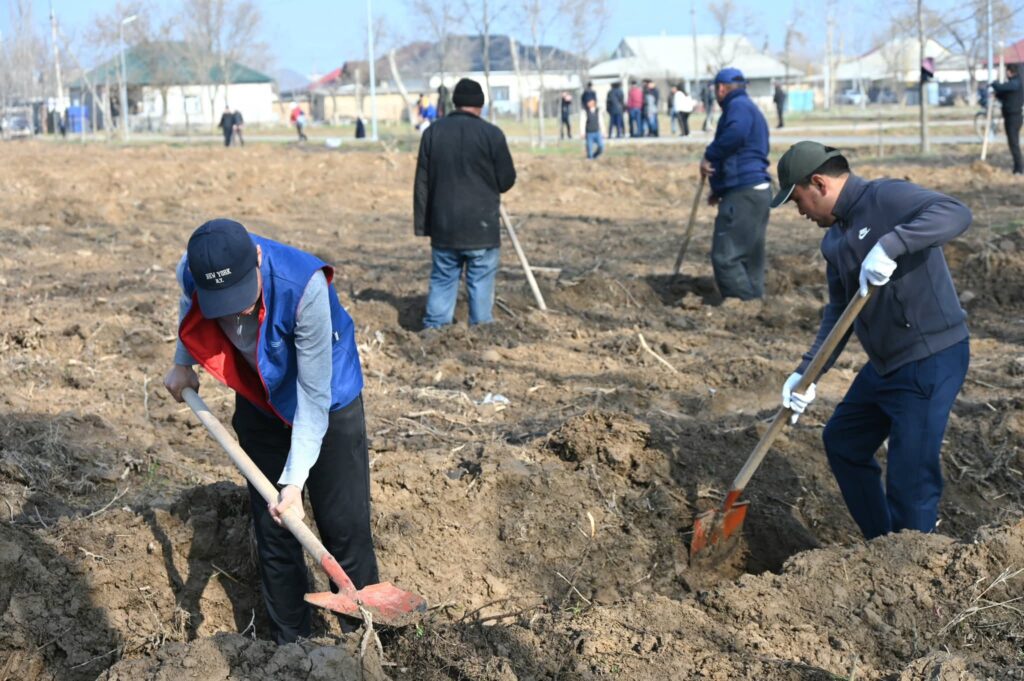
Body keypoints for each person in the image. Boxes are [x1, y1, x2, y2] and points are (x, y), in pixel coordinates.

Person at [163, 218, 380, 644]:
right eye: (222, 302)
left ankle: (362, 640)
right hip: (260, 399)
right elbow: (189, 306)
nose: (237, 311)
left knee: (344, 528)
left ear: (258, 258)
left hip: (327, 401)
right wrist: (182, 362)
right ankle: (290, 646)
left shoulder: (305, 287)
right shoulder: (190, 270)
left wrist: (293, 484)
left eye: (242, 295)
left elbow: (313, 398)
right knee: (274, 528)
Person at [771, 141, 971, 540]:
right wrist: (806, 374)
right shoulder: (833, 241)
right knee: (843, 440)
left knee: (910, 480)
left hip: (931, 355)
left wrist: (892, 245)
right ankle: (881, 546)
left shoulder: (886, 198)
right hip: (886, 364)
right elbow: (840, 312)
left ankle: (916, 562)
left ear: (819, 184)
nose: (800, 212)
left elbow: (956, 213)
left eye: (797, 200)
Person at [414, 78, 517, 329]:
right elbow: (506, 180)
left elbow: (422, 183)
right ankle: (481, 329)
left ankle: (435, 331)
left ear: (455, 103)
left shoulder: (433, 133)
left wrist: (424, 226)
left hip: (444, 225)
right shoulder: (492, 134)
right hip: (481, 226)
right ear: (480, 105)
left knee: (443, 278)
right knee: (481, 280)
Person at [699, 68, 772, 300]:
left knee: (725, 257)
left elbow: (736, 135)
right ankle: (754, 302)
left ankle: (742, 304)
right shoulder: (748, 107)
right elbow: (740, 151)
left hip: (744, 192)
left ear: (721, 88)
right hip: (754, 190)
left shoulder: (738, 107)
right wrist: (719, 189)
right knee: (750, 257)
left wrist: (709, 155)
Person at [992, 64, 1023, 175]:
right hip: (1010, 116)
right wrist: (997, 94)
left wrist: (994, 84)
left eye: (1007, 71)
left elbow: (1002, 87)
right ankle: (1017, 168)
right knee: (1012, 143)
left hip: (1014, 117)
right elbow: (1005, 95)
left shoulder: (1016, 83)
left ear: (1010, 72)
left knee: (1014, 143)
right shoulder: (1013, 83)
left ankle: (1019, 169)